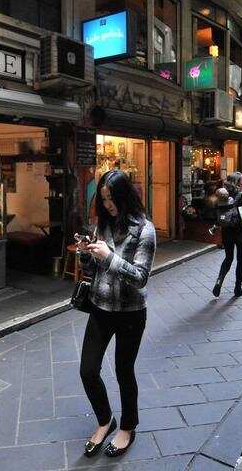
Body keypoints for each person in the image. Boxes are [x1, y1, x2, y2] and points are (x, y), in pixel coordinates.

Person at [78, 170, 156, 459]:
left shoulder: (145, 229)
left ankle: (127, 427)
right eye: (103, 199)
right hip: (100, 307)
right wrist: (86, 254)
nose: (107, 205)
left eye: (111, 198)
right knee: (88, 370)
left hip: (130, 312)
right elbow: (92, 269)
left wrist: (109, 257)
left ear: (124, 196)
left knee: (124, 371)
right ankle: (104, 419)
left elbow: (140, 277)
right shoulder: (103, 225)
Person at [212, 172, 242, 298]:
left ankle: (219, 281)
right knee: (240, 260)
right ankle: (238, 288)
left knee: (228, 258)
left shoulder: (223, 196)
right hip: (240, 232)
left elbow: (217, 214)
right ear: (237, 183)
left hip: (226, 231)